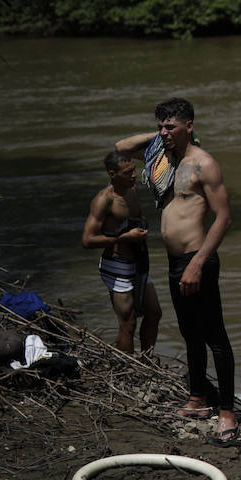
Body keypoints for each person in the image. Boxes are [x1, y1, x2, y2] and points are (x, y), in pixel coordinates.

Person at [116, 98, 238, 439]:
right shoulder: (164, 158)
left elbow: (224, 218)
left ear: (190, 126)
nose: (164, 132)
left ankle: (227, 412)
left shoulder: (203, 164)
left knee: (215, 336)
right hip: (175, 261)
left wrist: (197, 264)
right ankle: (198, 398)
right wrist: (160, 136)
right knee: (190, 332)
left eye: (170, 126)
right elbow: (121, 147)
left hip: (198, 260)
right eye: (160, 127)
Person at [81, 150, 162, 355]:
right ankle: (129, 365)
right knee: (128, 322)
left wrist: (142, 227)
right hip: (116, 265)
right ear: (112, 174)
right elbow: (87, 240)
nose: (133, 175)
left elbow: (138, 215)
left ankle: (146, 361)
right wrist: (123, 238)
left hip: (138, 261)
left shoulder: (132, 189)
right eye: (127, 173)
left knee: (154, 312)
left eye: (133, 170)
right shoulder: (104, 200)